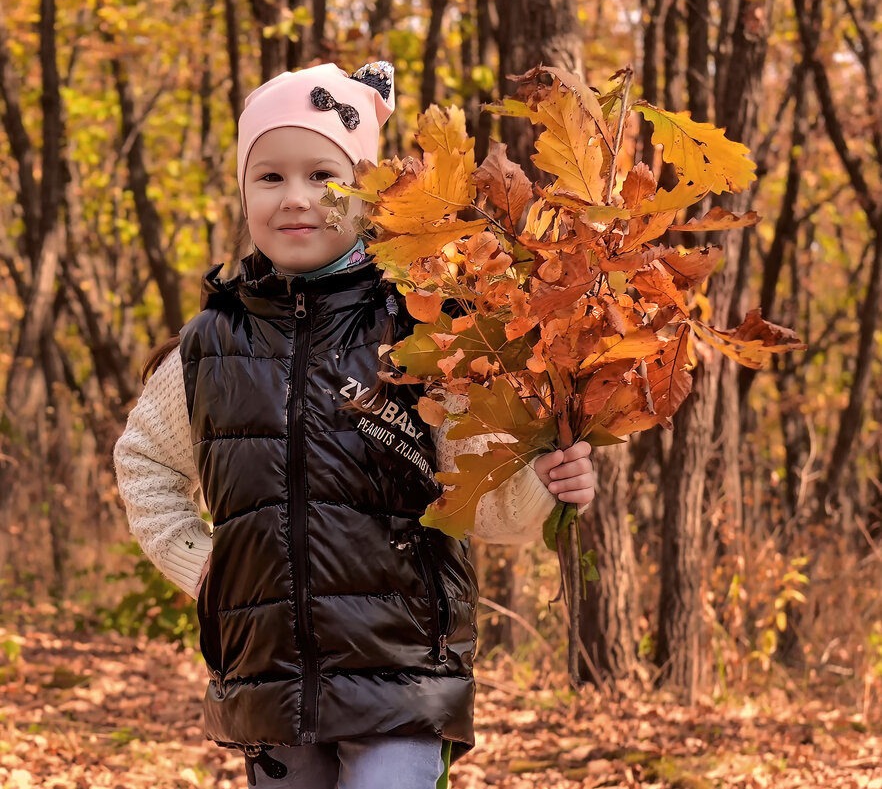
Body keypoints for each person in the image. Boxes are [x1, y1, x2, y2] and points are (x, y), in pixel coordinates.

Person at [113, 61, 596, 789]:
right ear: (244, 191)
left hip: (404, 676)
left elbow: (489, 502)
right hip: (269, 679)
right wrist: (209, 568)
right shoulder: (212, 341)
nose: (297, 198)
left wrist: (540, 481)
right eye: (269, 177)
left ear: (368, 189)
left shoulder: (422, 321)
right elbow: (145, 462)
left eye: (324, 176)